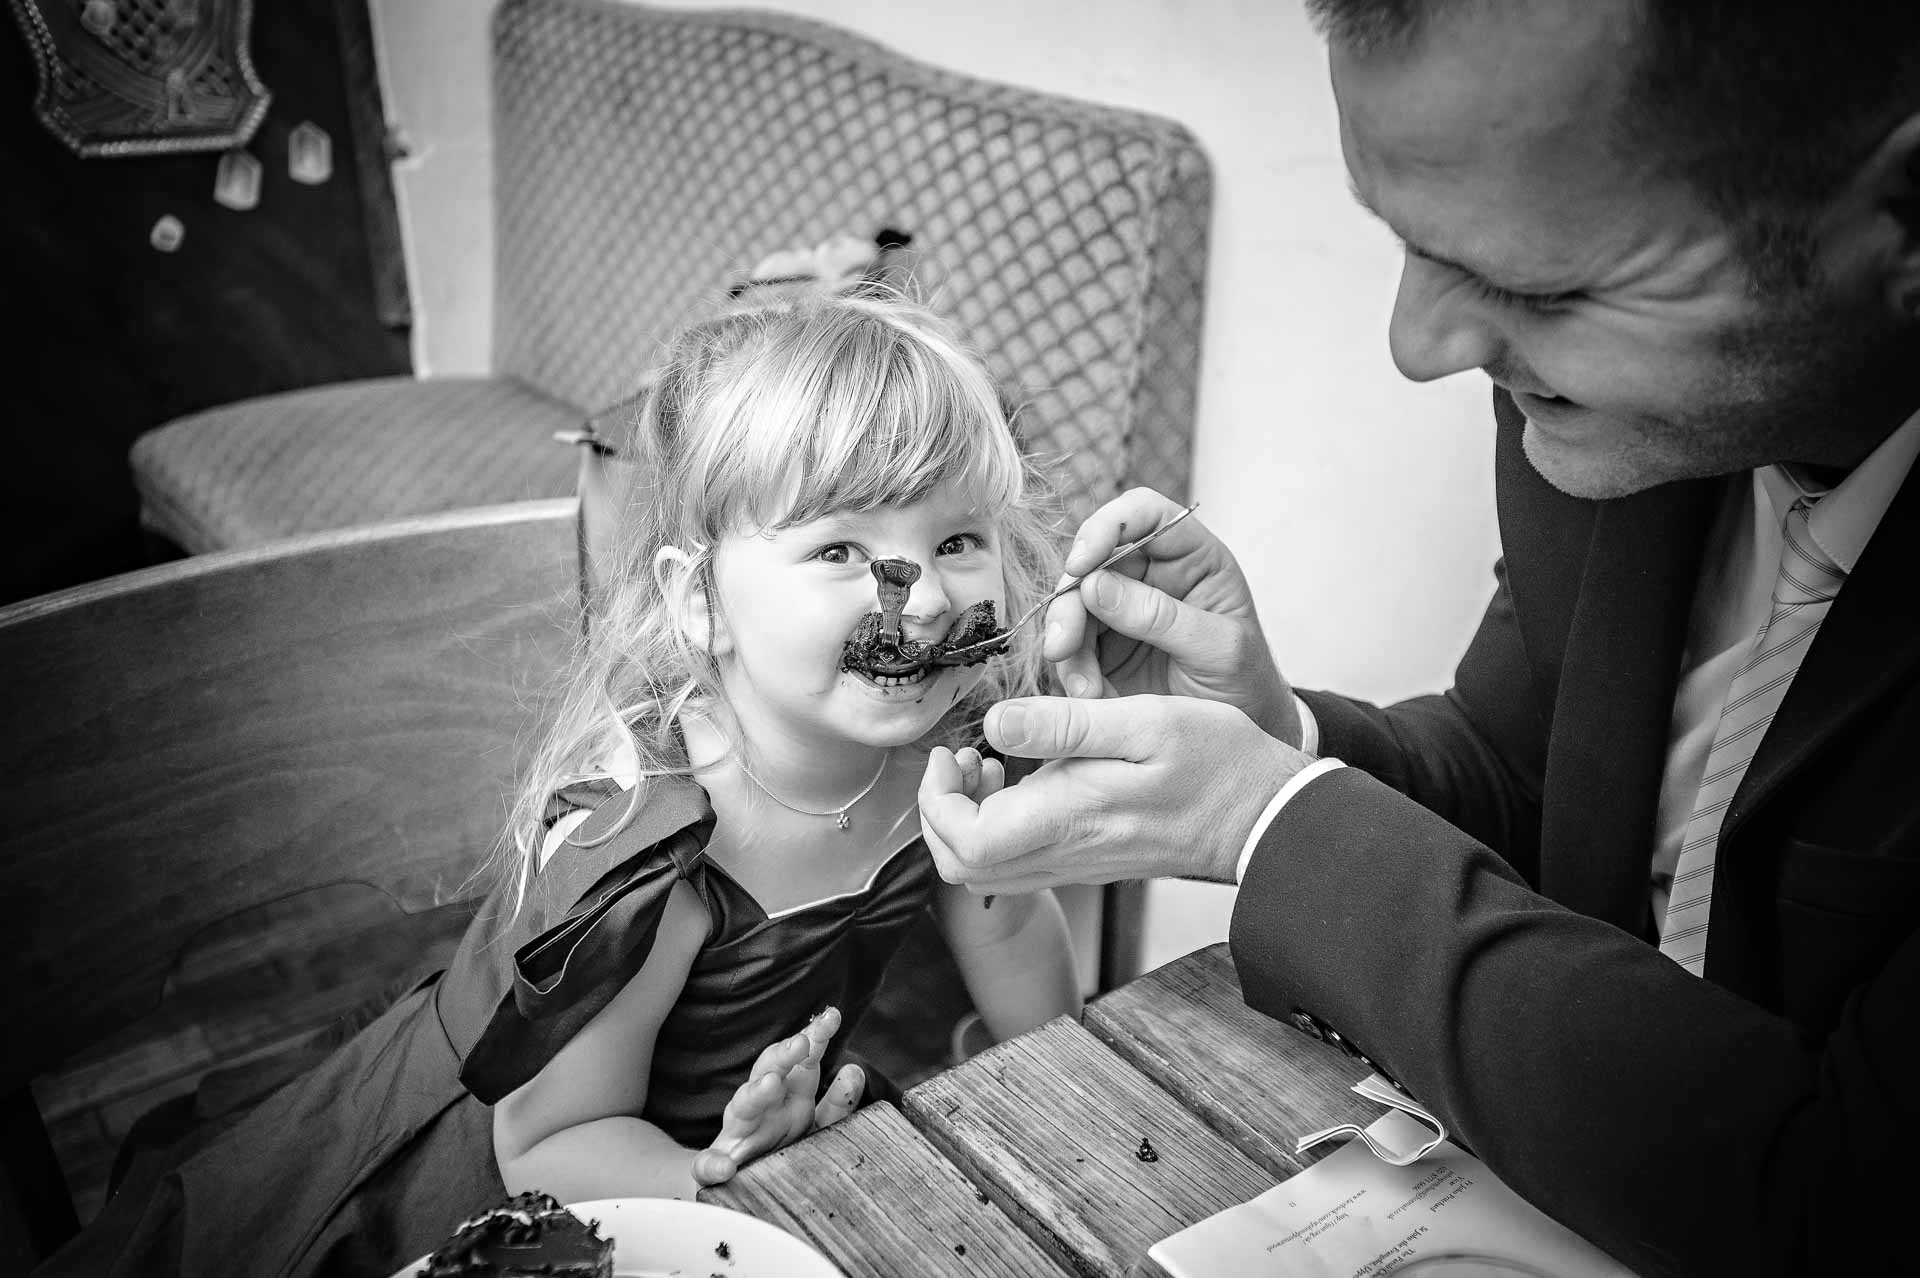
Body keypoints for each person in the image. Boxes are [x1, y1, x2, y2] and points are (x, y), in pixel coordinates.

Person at [919, 3, 1920, 1275]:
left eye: (1537, 282)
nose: (1418, 347)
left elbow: (1856, 1197)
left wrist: (1265, 824)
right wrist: (1273, 737)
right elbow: (1525, 775)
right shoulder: (1620, 432)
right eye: (1409, 244)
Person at [43, 291, 1081, 1277]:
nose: (926, 600)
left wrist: (1051, 1090)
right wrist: (725, 1181)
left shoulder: (952, 753)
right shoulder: (658, 854)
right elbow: (549, 1144)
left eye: (955, 539)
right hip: (533, 1192)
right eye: (842, 548)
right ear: (702, 603)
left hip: (757, 1152)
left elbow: (1006, 923)